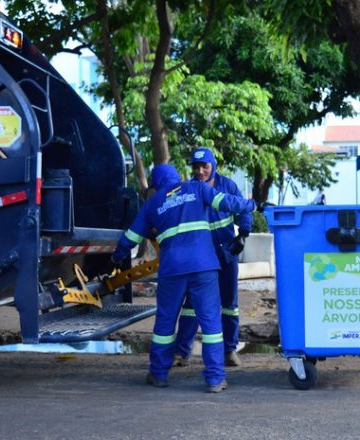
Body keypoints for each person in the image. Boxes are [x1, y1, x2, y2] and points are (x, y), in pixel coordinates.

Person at [110, 163, 256, 393]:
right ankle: (215, 379)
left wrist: (117, 256)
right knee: (211, 324)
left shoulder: (153, 204)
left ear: (156, 184)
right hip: (204, 267)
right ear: (178, 177)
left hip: (172, 270)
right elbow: (226, 202)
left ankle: (158, 374)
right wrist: (251, 204)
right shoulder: (197, 188)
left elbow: (132, 236)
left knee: (165, 322)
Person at [174, 148, 252, 368]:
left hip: (227, 253)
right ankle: (182, 353)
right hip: (200, 257)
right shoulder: (188, 190)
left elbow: (243, 210)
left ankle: (229, 351)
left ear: (213, 166)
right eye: (196, 167)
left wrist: (243, 234)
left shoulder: (228, 185)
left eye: (204, 167)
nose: (200, 171)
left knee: (230, 305)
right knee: (192, 305)